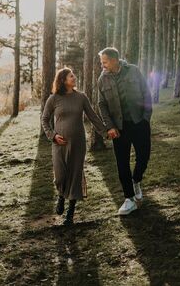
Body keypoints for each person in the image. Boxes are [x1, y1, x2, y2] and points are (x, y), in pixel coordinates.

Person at [42, 67, 110, 225]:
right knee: (60, 175)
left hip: (78, 143)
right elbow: (45, 119)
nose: (74, 78)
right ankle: (61, 195)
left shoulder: (81, 97)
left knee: (75, 175)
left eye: (73, 75)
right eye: (71, 76)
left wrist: (106, 132)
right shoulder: (54, 99)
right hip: (59, 144)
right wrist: (52, 136)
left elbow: (93, 116)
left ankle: (70, 213)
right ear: (63, 80)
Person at [97, 47, 152, 216]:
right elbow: (102, 105)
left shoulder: (133, 71)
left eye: (104, 62)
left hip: (139, 123)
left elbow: (146, 93)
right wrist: (110, 126)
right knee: (122, 163)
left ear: (114, 60)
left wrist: (146, 118)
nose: (102, 65)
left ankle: (136, 180)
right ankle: (129, 199)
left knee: (144, 156)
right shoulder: (102, 79)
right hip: (118, 128)